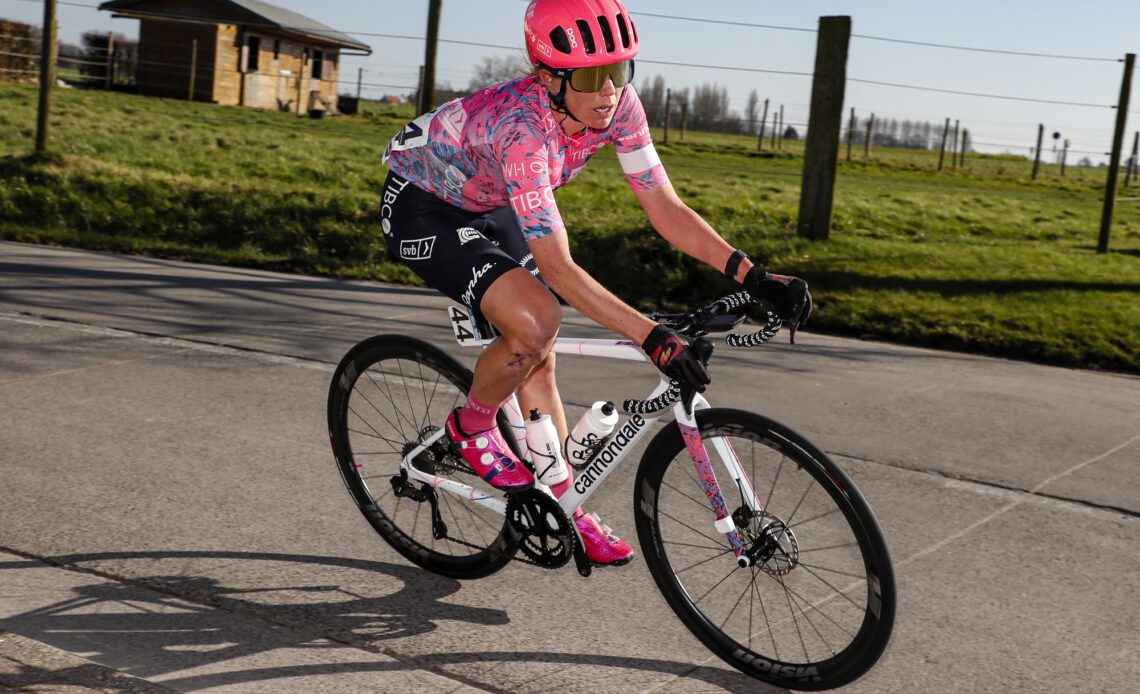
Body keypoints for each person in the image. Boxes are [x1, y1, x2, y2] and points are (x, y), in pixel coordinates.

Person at [380, 0, 811, 567]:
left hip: (489, 201)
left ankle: (562, 500)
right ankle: (471, 426)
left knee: (539, 354)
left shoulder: (621, 107)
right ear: (547, 77)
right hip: (424, 205)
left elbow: (665, 207)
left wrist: (752, 275)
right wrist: (651, 336)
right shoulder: (523, 130)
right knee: (537, 320)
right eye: (589, 76)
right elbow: (558, 269)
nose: (608, 90)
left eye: (619, 70)